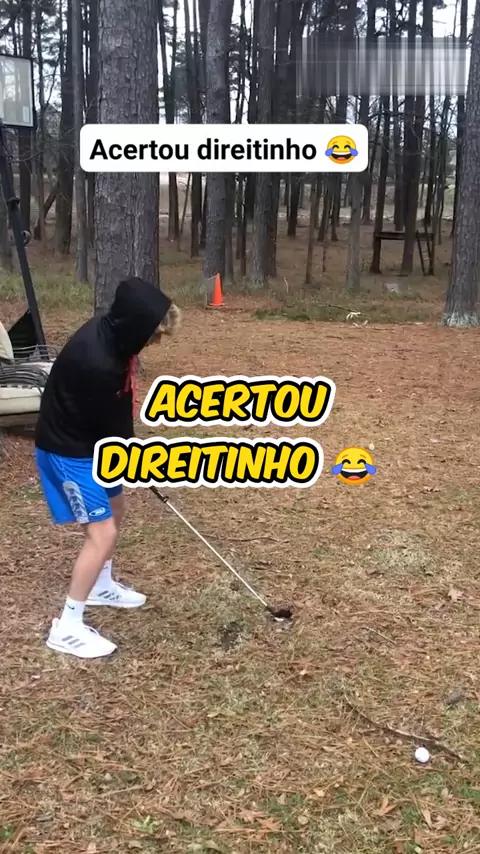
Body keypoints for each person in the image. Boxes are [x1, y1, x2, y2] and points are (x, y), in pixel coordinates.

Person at [34, 276, 181, 660]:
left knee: (116, 508)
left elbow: (116, 414)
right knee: (101, 533)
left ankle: (100, 585)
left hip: (91, 440)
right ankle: (67, 627)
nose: (156, 342)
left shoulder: (116, 339)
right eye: (155, 334)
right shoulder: (98, 361)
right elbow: (106, 424)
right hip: (69, 449)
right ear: (137, 325)